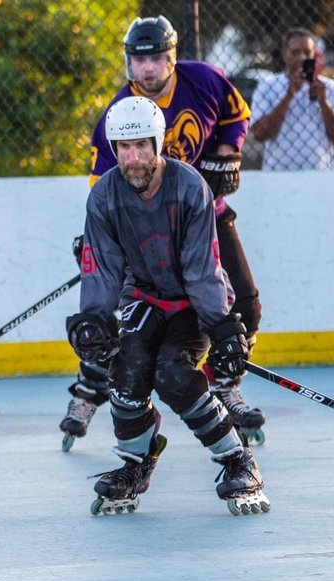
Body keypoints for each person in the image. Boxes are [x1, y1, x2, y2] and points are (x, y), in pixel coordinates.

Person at [61, 15, 265, 448]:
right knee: (118, 312)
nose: (148, 68)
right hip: (145, 229)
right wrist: (100, 235)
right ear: (128, 62)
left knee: (243, 302)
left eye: (156, 57)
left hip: (204, 213)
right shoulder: (118, 113)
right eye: (139, 60)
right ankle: (89, 388)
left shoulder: (204, 80)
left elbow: (236, 116)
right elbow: (103, 185)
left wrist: (228, 151)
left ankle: (225, 385)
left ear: (172, 56)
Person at [69, 96, 268, 515]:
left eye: (142, 145)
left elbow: (201, 268)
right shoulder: (103, 196)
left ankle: (238, 460)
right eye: (124, 148)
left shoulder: (189, 186)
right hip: (143, 297)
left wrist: (221, 326)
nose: (133, 158)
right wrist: (93, 319)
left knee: (174, 374)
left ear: (158, 144)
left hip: (193, 303)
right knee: (126, 372)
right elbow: (102, 268)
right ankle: (135, 464)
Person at [250, 28, 334, 171]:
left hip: (321, 174)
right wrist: (289, 96)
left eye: (307, 52)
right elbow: (259, 134)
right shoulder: (268, 86)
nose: (302, 58)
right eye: (295, 52)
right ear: (284, 54)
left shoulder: (329, 87)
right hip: (279, 173)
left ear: (314, 54)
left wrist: (324, 103)